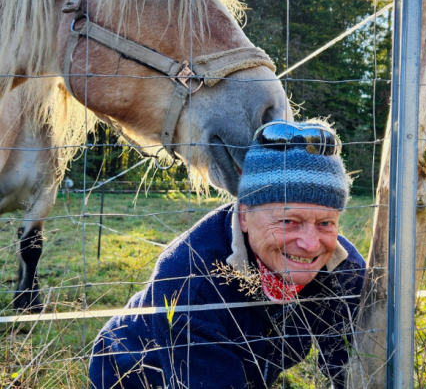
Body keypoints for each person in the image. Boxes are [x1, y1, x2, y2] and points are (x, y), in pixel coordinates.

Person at [89, 120, 365, 389]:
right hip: (136, 378)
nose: (309, 244)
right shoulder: (189, 282)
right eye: (287, 221)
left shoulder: (344, 270)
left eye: (325, 223)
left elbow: (350, 370)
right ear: (244, 215)